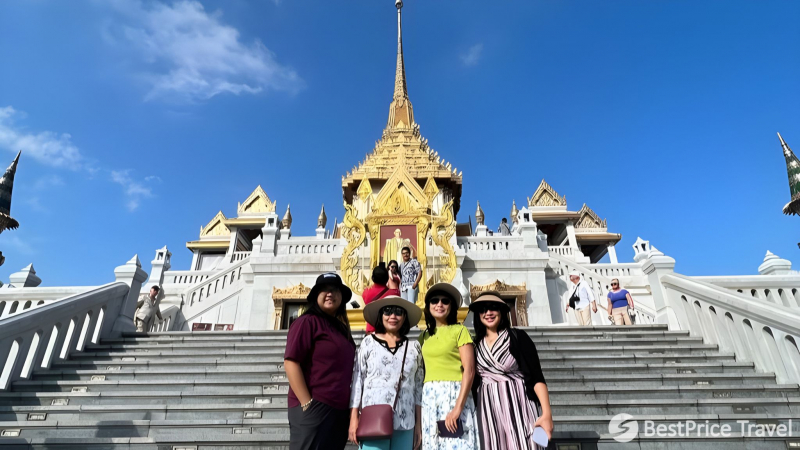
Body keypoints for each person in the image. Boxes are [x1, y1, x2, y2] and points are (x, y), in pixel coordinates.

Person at [470, 292, 553, 450]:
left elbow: (536, 377)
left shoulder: (518, 337)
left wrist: (546, 413)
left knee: (529, 445)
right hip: (488, 407)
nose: (488, 313)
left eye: (493, 308)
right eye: (483, 309)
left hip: (520, 403)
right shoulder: (475, 345)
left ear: (501, 311)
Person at [284, 273, 356, 450]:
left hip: (338, 410)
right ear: (316, 296)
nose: (330, 294)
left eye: (334, 290)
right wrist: (307, 403)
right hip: (314, 406)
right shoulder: (307, 322)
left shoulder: (341, 329)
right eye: (324, 290)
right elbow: (291, 362)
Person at [349, 296, 424, 450]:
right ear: (380, 316)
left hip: (405, 420)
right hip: (373, 418)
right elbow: (358, 380)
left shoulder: (414, 347)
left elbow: (418, 388)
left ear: (404, 317)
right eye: (387, 311)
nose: (392, 316)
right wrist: (353, 417)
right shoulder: (368, 343)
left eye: (398, 312)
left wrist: (419, 424)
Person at [418, 283, 480, 450]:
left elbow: (470, 370)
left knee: (458, 443)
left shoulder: (460, 331)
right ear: (428, 305)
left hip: (455, 393)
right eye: (434, 301)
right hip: (430, 397)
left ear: (451, 306)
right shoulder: (423, 336)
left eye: (445, 301)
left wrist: (457, 408)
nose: (439, 304)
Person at [362, 264, 401, 334]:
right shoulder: (394, 293)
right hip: (387, 330)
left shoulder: (366, 292)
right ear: (387, 278)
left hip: (371, 328)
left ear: (372, 278)